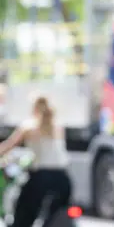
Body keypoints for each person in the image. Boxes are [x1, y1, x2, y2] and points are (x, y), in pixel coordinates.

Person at [0, 95, 72, 227]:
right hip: (63, 179)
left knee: (23, 215)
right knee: (54, 218)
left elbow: (8, 146)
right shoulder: (58, 126)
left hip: (41, 178)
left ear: (34, 109)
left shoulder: (29, 127)